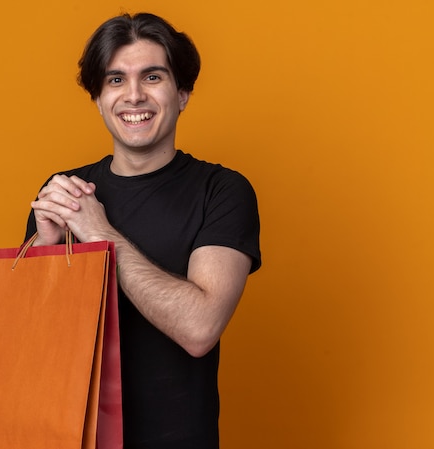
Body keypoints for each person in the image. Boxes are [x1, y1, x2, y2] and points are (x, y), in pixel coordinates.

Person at [25, 12, 261, 449]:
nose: (134, 96)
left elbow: (199, 329)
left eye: (152, 77)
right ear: (97, 98)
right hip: (64, 438)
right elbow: (23, 343)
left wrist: (100, 234)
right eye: (115, 80)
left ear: (183, 93)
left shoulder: (222, 191)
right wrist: (47, 244)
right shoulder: (64, 193)